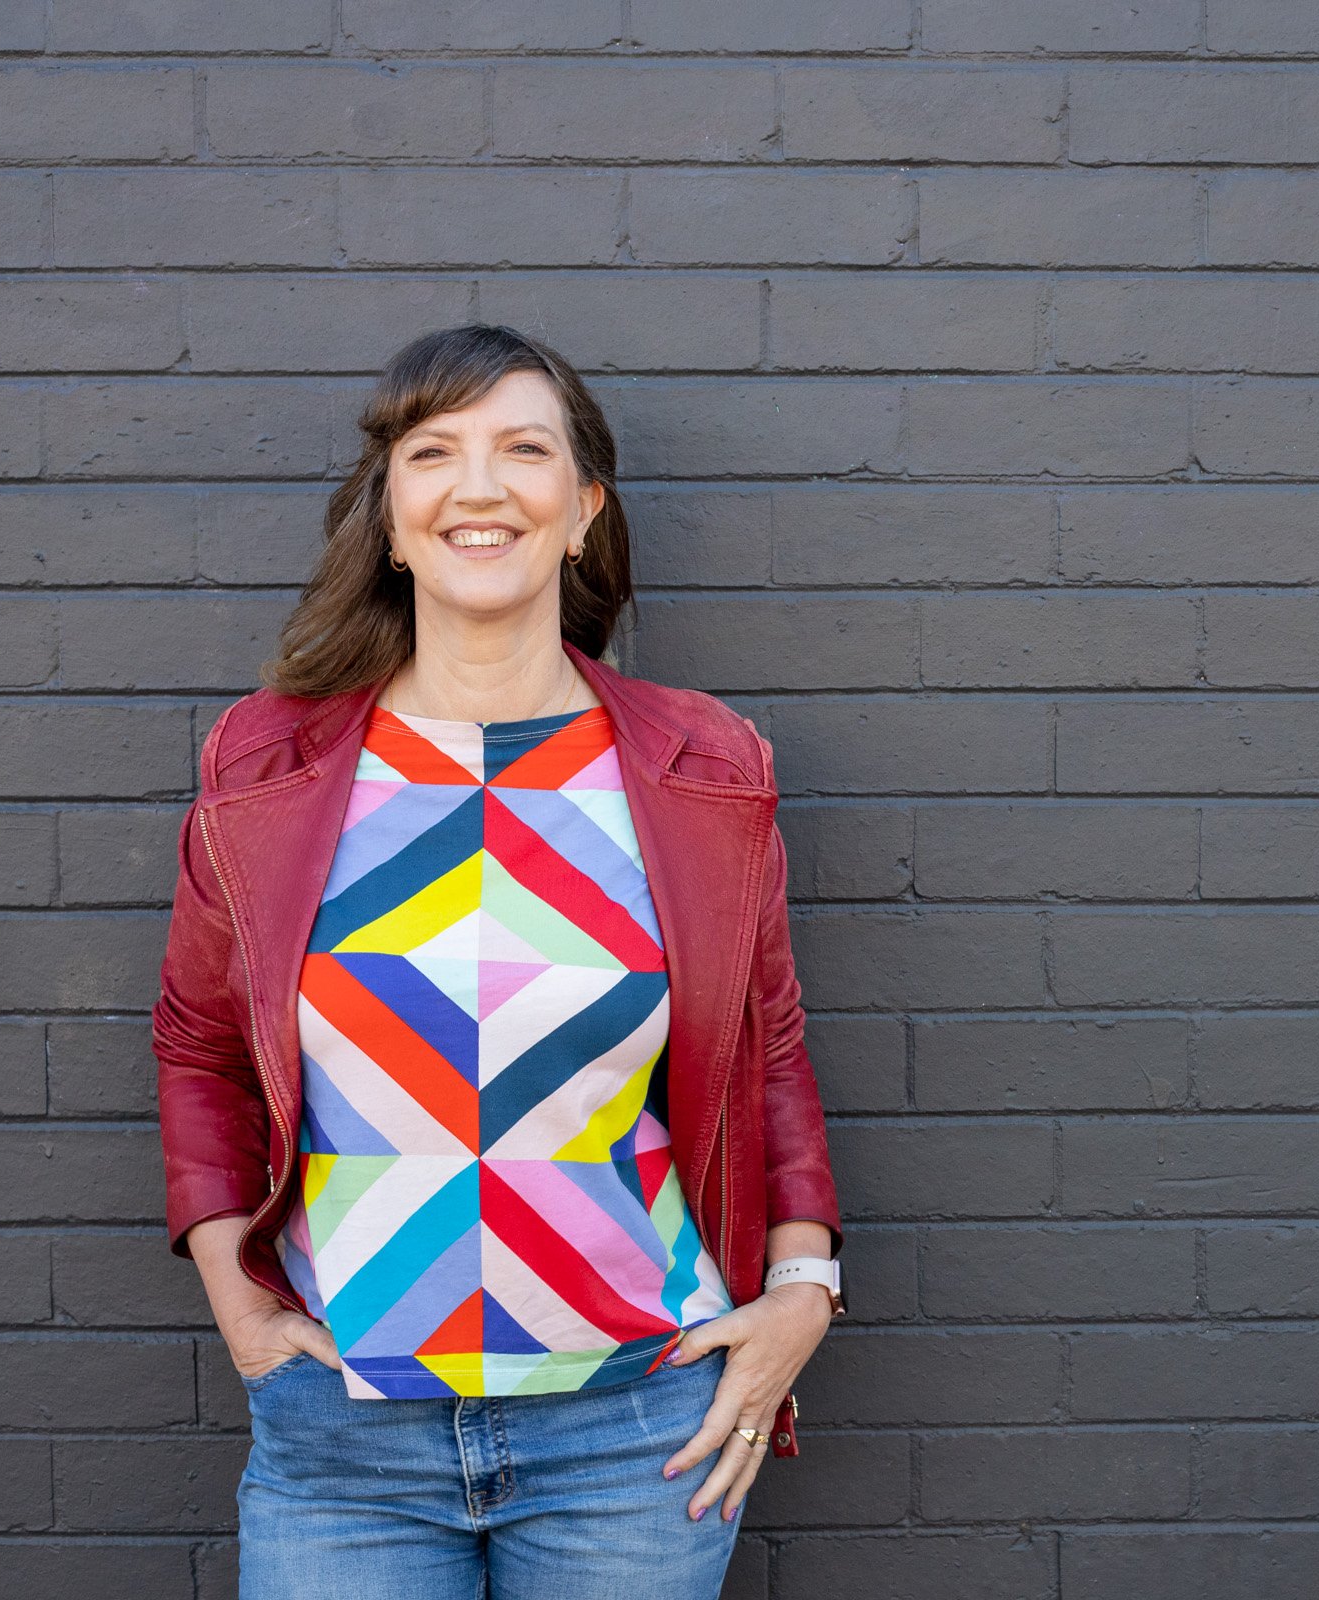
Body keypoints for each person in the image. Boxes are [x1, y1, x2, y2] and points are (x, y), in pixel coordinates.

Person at [151, 323, 845, 1600]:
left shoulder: (702, 768)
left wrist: (805, 1285)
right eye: (434, 453)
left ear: (582, 511)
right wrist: (238, 1308)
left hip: (635, 1430)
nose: (479, 486)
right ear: (391, 515)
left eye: (524, 450)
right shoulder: (268, 767)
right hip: (344, 1438)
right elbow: (200, 1048)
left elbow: (770, 1048)